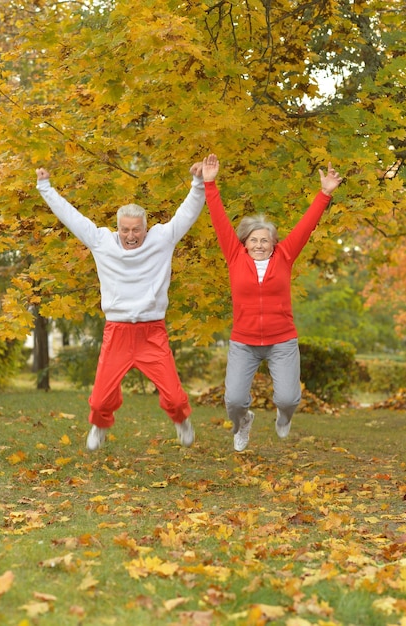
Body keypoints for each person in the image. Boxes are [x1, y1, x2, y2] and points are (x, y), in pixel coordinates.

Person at [36, 162, 206, 451]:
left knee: (176, 398)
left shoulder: (162, 239)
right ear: (118, 229)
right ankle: (100, 426)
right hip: (117, 332)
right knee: (101, 399)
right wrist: (45, 188)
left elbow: (187, 213)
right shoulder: (102, 241)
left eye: (136, 230)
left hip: (152, 332)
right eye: (125, 230)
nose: (131, 236)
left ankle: (181, 420)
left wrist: (198, 183)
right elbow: (72, 217)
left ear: (145, 228)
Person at [202, 154, 343, 452]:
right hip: (244, 342)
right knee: (234, 401)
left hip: (282, 341)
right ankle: (244, 423)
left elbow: (306, 225)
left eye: (265, 240)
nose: (259, 245)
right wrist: (210, 184)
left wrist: (325, 193)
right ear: (244, 243)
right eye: (254, 240)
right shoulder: (234, 256)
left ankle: (284, 416)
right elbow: (219, 220)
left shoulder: (285, 256)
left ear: (274, 243)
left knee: (289, 399)